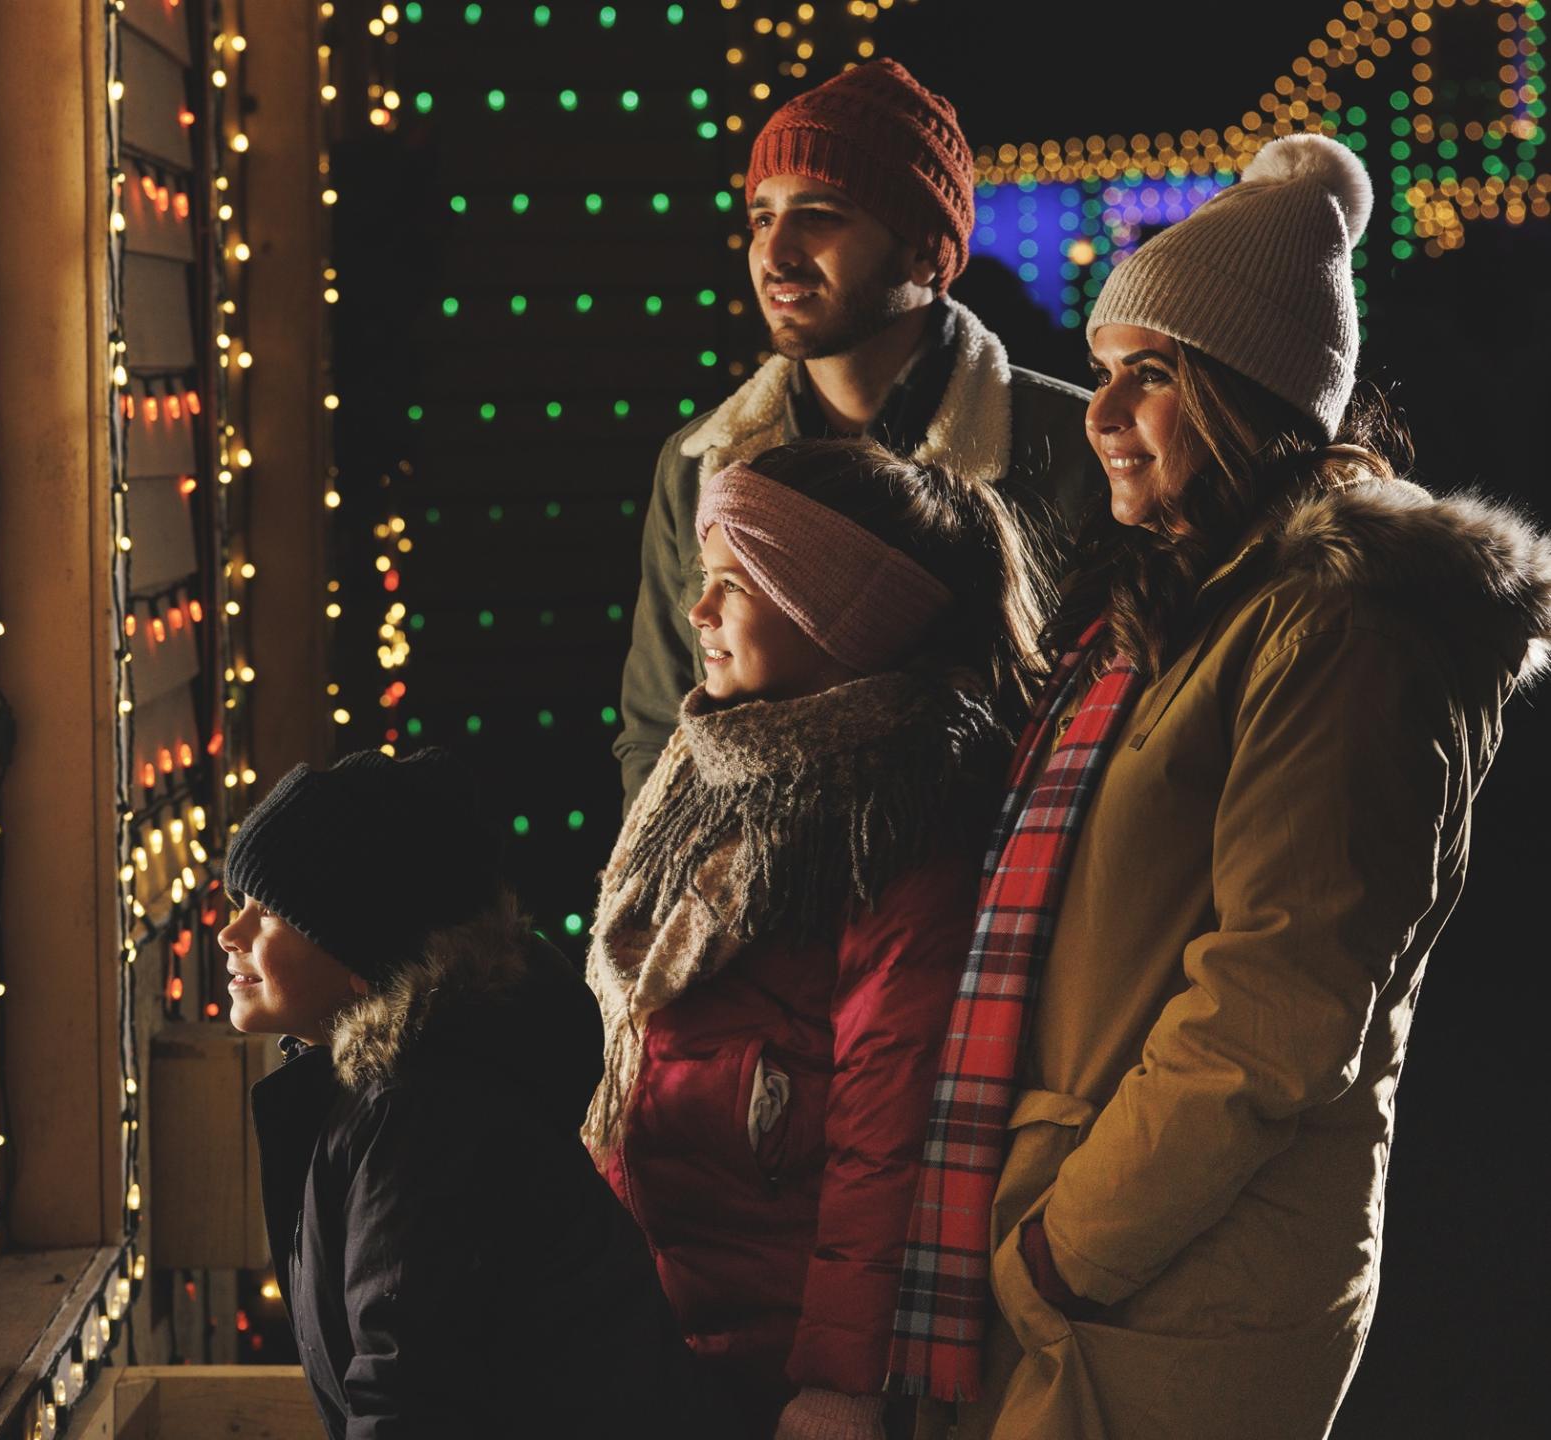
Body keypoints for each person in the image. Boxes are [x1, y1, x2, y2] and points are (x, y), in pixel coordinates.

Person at [888, 134, 1551, 1440]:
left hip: (1180, 1271)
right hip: (1106, 1254)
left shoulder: (1338, 627)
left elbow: (1279, 998)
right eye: (1099, 375)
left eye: (1151, 378)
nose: (1100, 413)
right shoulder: (1175, 607)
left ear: (1249, 396)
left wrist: (1063, 1246)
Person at [586, 437, 1054, 1440]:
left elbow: (886, 1123)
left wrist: (841, 1382)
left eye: (732, 584)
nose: (696, 612)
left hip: (778, 1334)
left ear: (833, 610)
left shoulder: (891, 815)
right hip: (673, 1298)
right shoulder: (712, 768)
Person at [616, 57, 1098, 811]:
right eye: (764, 218)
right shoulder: (700, 463)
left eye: (819, 215)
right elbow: (656, 732)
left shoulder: (1077, 446)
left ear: (920, 250)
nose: (775, 254)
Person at [222, 748, 728, 1440]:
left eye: (268, 912)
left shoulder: (420, 1116)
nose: (231, 934)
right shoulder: (389, 1095)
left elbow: (412, 1395)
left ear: (363, 959)